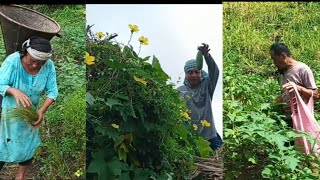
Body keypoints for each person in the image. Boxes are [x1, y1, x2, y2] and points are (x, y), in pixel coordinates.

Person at [0, 36, 58, 180]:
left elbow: (53, 92)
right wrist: (14, 91)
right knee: (3, 141)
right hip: (6, 110)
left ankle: (20, 176)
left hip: (29, 111)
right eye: (32, 61)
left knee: (28, 142)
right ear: (25, 53)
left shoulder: (49, 66)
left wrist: (41, 111)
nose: (35, 66)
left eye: (40, 64)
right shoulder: (13, 61)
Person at [270, 42, 319, 145]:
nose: (273, 62)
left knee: (303, 150)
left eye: (274, 58)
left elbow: (315, 95)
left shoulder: (302, 69)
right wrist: (273, 103)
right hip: (287, 119)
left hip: (301, 120)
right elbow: (286, 93)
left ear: (283, 56)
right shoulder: (283, 72)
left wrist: (299, 88)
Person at [177, 43, 223, 153]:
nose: (194, 75)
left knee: (221, 157)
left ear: (201, 73)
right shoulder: (179, 91)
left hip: (210, 135)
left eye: (197, 72)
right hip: (191, 136)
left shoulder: (207, 86)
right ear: (186, 74)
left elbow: (215, 72)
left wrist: (206, 56)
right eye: (190, 72)